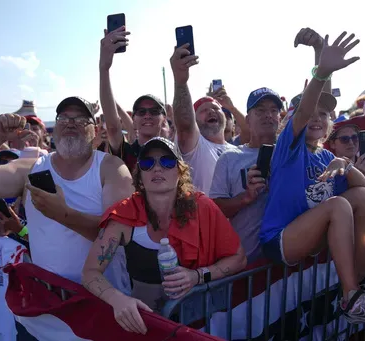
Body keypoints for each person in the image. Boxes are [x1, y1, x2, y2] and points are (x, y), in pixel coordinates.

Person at [0, 96, 134, 337]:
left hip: (102, 305)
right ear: (55, 127)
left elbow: (119, 236)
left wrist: (64, 215)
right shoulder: (32, 168)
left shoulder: (112, 168)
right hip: (48, 306)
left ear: (95, 130)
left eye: (80, 118)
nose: (70, 123)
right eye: (64, 118)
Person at [260, 31, 365, 325]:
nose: (316, 117)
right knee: (337, 205)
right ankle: (351, 298)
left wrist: (346, 165)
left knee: (356, 197)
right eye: (310, 112)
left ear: (329, 125)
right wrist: (321, 70)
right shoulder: (289, 148)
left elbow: (364, 192)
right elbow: (305, 110)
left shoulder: (327, 156)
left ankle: (362, 279)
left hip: (311, 234)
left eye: (324, 114)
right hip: (281, 240)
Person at [82, 137, 246, 335]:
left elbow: (239, 258)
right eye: (147, 163)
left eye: (167, 162)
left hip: (201, 326)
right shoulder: (124, 215)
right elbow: (90, 272)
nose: (157, 168)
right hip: (146, 327)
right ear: (139, 175)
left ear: (180, 171)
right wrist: (118, 300)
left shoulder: (204, 207)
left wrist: (197, 276)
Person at [210, 87, 283, 262]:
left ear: (280, 118)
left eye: (274, 110)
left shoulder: (290, 155)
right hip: (246, 265)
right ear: (248, 120)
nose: (268, 115)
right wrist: (246, 197)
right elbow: (216, 208)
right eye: (261, 110)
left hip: (287, 264)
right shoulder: (230, 158)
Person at [170, 45, 237, 196]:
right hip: (201, 219)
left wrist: (231, 108)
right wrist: (180, 81)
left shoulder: (237, 151)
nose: (211, 111)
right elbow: (185, 123)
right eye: (204, 110)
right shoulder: (196, 146)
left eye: (215, 108)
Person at [99, 26, 168, 173]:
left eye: (154, 111)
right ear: (134, 120)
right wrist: (104, 68)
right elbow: (113, 127)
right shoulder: (127, 153)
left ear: (164, 118)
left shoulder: (174, 151)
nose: (147, 115)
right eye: (141, 112)